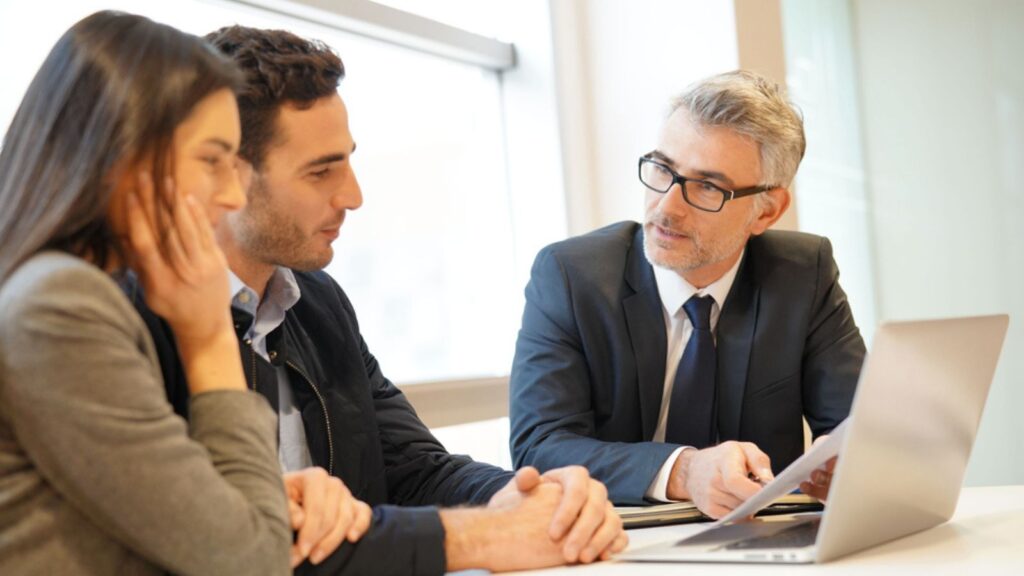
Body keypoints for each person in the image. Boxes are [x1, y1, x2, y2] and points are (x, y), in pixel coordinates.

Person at [125, 25, 627, 575]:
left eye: (347, 161)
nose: (353, 195)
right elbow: (222, 545)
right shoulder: (125, 323)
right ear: (225, 172)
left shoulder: (316, 302)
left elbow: (414, 468)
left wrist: (529, 498)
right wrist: (486, 536)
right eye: (321, 171)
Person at [0, 10, 356, 574]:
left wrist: (259, 503)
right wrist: (209, 337)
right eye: (212, 160)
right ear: (119, 153)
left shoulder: (58, 291)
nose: (232, 196)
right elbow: (248, 561)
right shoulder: (61, 303)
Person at [510, 70, 864, 518]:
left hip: (759, 537)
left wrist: (848, 461)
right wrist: (685, 471)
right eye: (663, 169)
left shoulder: (803, 274)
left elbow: (859, 426)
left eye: (707, 187)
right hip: (619, 539)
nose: (666, 207)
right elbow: (539, 447)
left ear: (767, 211)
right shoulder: (570, 276)